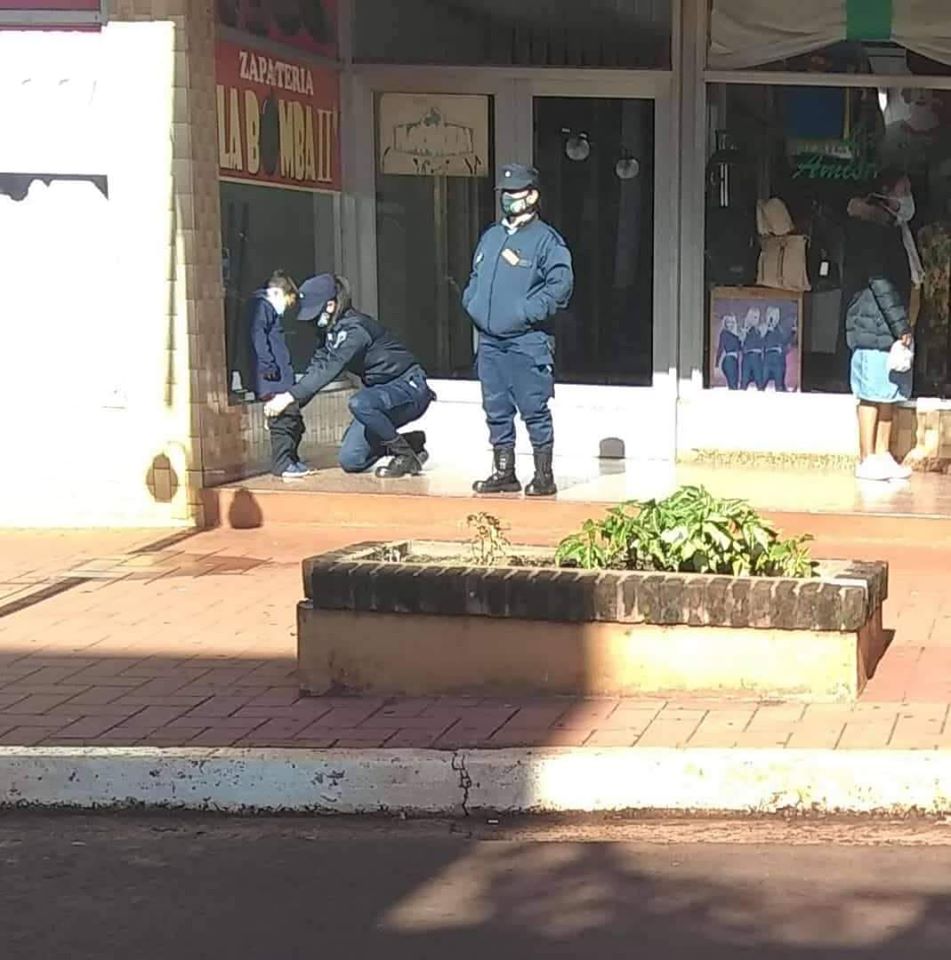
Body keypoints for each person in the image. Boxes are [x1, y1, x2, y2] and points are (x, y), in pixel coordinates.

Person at [462, 163, 574, 497]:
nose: (508, 198)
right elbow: (476, 277)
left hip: (527, 341)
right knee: (495, 408)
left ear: (533, 196)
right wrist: (472, 302)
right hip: (490, 342)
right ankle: (504, 471)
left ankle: (543, 475)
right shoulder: (492, 236)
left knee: (533, 407)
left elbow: (560, 287)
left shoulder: (547, 241)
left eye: (515, 192)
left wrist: (526, 312)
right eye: (505, 193)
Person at [263, 274, 434, 478]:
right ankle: (411, 443)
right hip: (379, 396)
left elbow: (330, 368)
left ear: (330, 305)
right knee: (351, 459)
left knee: (359, 403)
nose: (313, 321)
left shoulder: (355, 329)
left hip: (409, 388)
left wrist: (289, 396)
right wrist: (290, 406)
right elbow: (317, 367)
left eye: (314, 313)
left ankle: (405, 456)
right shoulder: (330, 332)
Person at [844, 168, 915, 482]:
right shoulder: (869, 229)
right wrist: (901, 324)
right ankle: (866, 458)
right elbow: (880, 282)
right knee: (871, 394)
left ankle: (883, 455)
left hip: (888, 326)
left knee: (889, 393)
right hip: (873, 323)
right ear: (886, 192)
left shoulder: (893, 229)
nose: (908, 196)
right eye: (903, 189)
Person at [247, 269, 315, 481]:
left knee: (294, 421)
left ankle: (291, 459)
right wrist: (267, 364)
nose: (287, 308)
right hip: (272, 379)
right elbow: (258, 337)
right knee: (284, 421)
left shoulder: (267, 310)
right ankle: (283, 463)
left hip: (279, 377)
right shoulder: (261, 308)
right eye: (288, 301)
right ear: (277, 293)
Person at [762, 307, 789, 392]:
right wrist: (767, 329)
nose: (774, 318)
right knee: (762, 383)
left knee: (779, 384)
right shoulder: (763, 328)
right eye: (772, 315)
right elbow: (760, 341)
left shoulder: (780, 330)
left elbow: (785, 342)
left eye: (776, 316)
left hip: (778, 358)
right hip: (767, 358)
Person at [740, 307, 765, 390]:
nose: (755, 320)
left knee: (759, 382)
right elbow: (741, 345)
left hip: (757, 358)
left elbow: (763, 344)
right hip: (747, 357)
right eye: (753, 317)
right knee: (744, 382)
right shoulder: (744, 330)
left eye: (757, 317)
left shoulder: (760, 330)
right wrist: (743, 335)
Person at [716, 314, 742, 389]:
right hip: (729, 361)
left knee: (734, 385)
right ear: (725, 323)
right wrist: (716, 364)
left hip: (734, 361)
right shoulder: (724, 333)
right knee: (733, 385)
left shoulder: (735, 334)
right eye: (728, 322)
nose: (730, 324)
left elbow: (739, 348)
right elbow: (720, 348)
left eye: (732, 322)